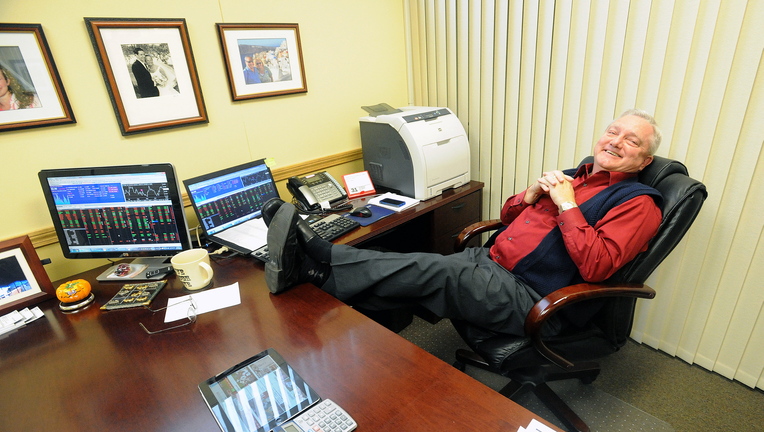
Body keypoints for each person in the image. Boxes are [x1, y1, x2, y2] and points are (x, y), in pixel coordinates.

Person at [264, 109, 664, 337]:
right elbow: (508, 218)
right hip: (489, 261)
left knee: (428, 269)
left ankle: (322, 263)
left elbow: (598, 266)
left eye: (632, 141)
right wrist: (529, 197)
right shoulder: (570, 176)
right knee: (404, 270)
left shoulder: (638, 204)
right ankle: (322, 278)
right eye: (613, 131)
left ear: (644, 161)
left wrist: (566, 206)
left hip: (532, 295)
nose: (616, 140)